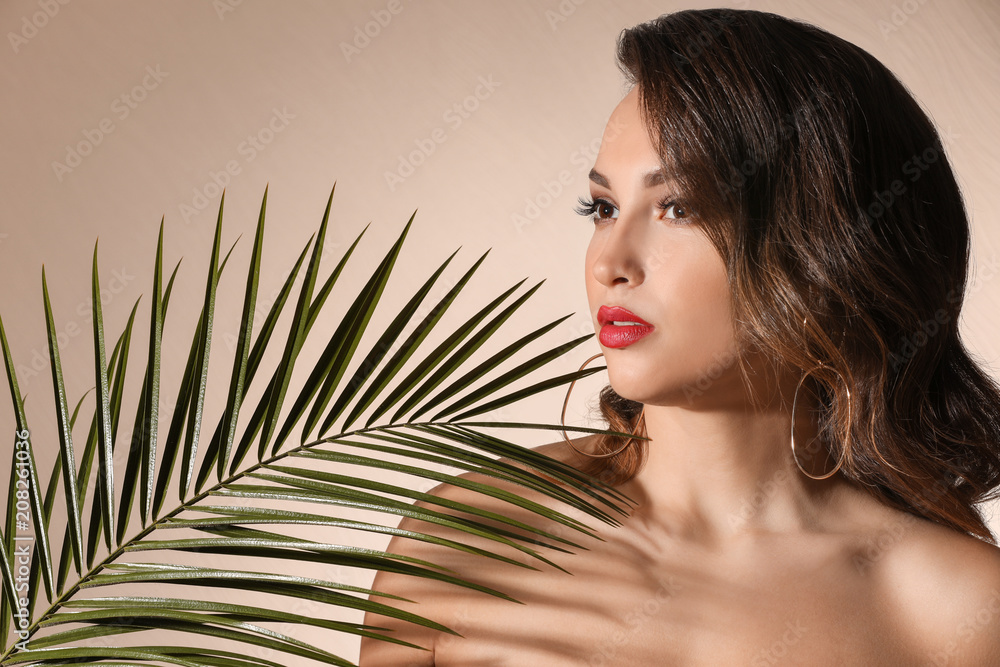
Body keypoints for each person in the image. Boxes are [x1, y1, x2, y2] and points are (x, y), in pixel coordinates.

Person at [359, 8, 1000, 665]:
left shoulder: (955, 607)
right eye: (603, 208)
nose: (611, 262)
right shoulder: (473, 532)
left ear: (827, 249)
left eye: (679, 207)